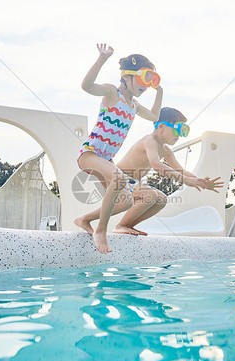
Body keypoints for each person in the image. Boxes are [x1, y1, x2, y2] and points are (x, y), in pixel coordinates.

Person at [74, 43, 163, 254]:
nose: (146, 85)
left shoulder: (134, 106)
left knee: (126, 202)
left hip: (106, 160)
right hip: (90, 154)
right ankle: (101, 232)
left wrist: (160, 91)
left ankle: (83, 219)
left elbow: (155, 117)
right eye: (144, 77)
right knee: (120, 180)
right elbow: (86, 86)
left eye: (151, 80)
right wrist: (102, 59)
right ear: (128, 75)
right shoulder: (112, 93)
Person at [113, 107, 224, 235]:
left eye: (183, 132)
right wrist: (187, 181)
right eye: (178, 130)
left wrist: (200, 181)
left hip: (131, 182)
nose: (179, 136)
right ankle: (120, 225)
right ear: (161, 127)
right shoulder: (149, 141)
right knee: (150, 195)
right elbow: (157, 165)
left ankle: (127, 225)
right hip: (118, 178)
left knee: (161, 199)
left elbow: (180, 170)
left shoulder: (166, 150)